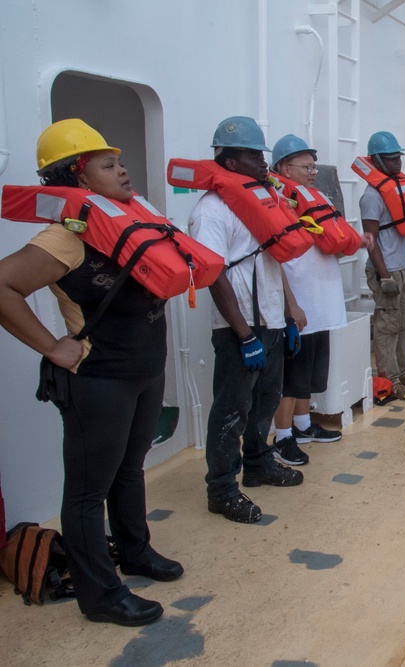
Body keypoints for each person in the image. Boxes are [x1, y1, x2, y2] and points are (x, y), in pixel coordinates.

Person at [0, 120, 188, 626]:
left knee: (130, 471)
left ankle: (135, 551)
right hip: (99, 380)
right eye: (108, 164)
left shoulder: (129, 223)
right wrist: (52, 346)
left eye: (119, 161)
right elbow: (2, 286)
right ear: (79, 180)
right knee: (87, 492)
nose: (123, 170)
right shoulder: (65, 238)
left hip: (144, 372)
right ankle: (100, 595)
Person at [187, 116, 307, 524]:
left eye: (262, 154)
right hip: (241, 327)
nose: (262, 162)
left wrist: (288, 315)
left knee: (266, 400)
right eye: (253, 155)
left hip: (271, 320)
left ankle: (258, 465)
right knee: (231, 408)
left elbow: (275, 259)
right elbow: (213, 274)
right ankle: (220, 488)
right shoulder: (211, 211)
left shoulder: (260, 202)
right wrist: (243, 335)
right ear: (229, 160)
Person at [270, 134, 374, 465]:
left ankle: (303, 426)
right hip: (302, 302)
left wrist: (358, 241)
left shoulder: (315, 197)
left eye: (314, 165)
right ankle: (282, 437)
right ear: (285, 167)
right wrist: (291, 306)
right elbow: (277, 257)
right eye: (306, 166)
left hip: (323, 301)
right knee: (291, 376)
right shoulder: (278, 201)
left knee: (311, 374)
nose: (313, 171)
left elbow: (332, 235)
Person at [353, 131, 405, 400]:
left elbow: (402, 231)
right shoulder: (372, 197)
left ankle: (402, 369)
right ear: (376, 161)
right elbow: (372, 242)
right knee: (388, 325)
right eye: (391, 159)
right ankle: (388, 379)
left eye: (399, 158)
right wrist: (385, 277)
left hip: (402, 268)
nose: (398, 163)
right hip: (384, 271)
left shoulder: (398, 190)